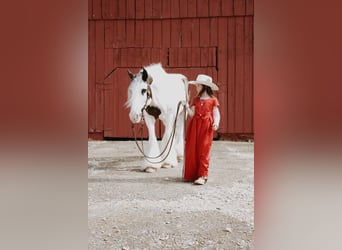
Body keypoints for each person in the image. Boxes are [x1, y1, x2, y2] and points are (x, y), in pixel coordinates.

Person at [183, 74, 220, 185]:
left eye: (198, 85)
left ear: (204, 86)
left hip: (206, 127)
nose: (196, 87)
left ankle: (203, 175)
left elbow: (216, 113)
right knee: (192, 149)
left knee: (204, 150)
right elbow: (192, 114)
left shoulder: (213, 100)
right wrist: (186, 107)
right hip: (194, 127)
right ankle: (193, 174)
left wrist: (216, 123)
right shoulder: (196, 100)